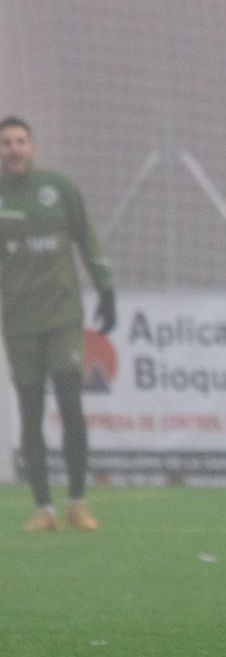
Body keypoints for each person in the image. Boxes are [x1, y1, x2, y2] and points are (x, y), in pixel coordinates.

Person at [0, 116, 116, 531]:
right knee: (31, 414)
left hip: (63, 318)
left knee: (71, 406)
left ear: (32, 147)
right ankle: (43, 509)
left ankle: (77, 503)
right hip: (19, 324)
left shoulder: (59, 188)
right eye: (6, 143)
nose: (13, 149)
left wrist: (106, 290)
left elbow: (87, 239)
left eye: (20, 141)